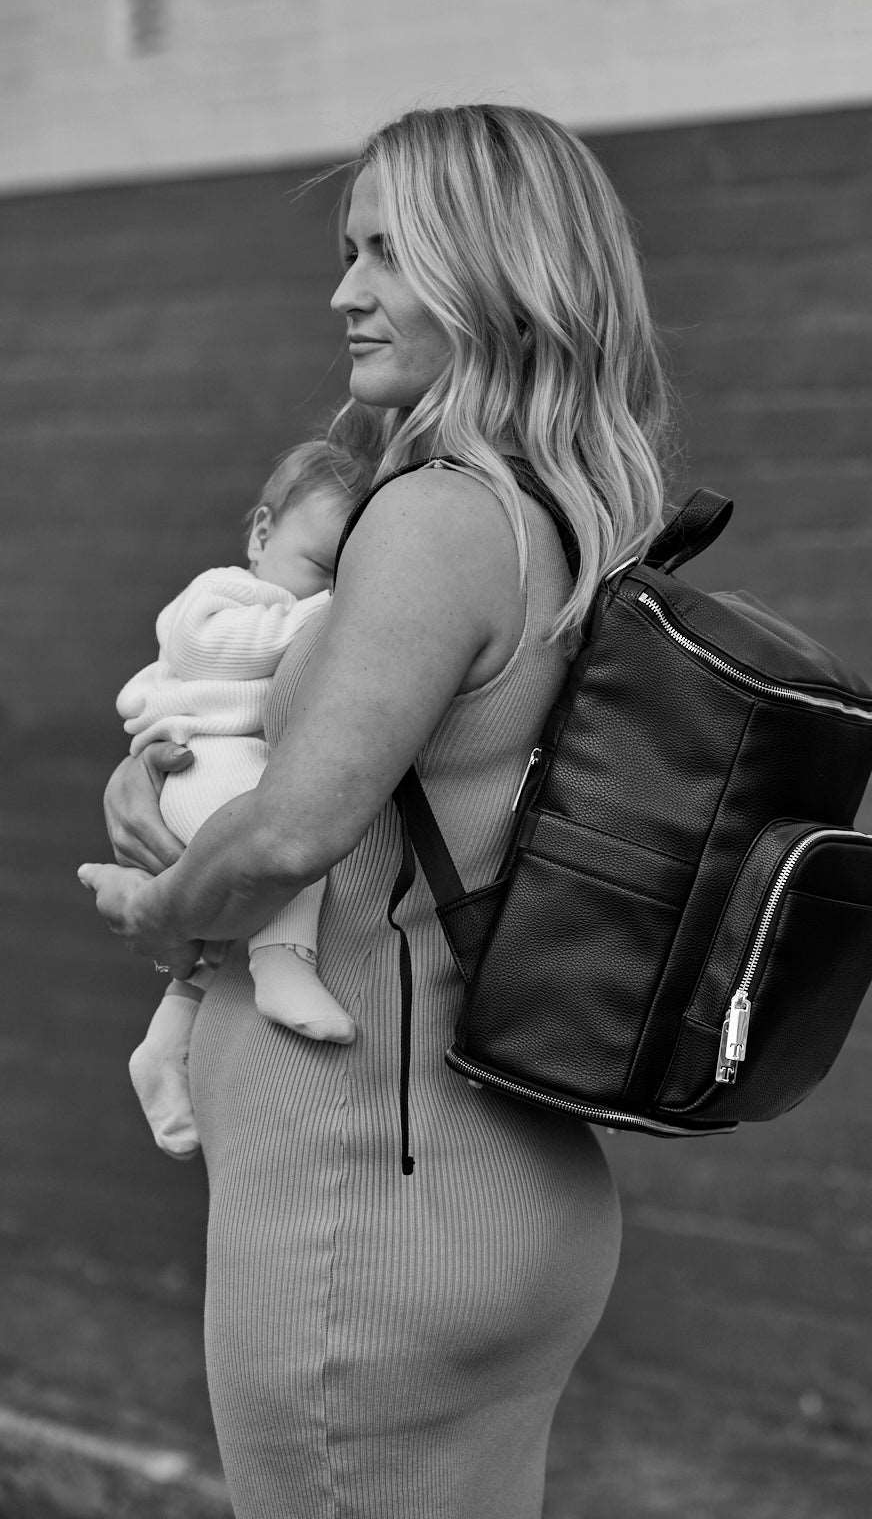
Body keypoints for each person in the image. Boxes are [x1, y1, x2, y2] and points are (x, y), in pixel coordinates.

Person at [78, 104, 675, 1519]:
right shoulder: (561, 509)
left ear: (497, 270)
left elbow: (294, 834)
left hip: (365, 1198)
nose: (344, 291)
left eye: (388, 253)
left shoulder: (433, 516)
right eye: (348, 253)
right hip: (480, 1179)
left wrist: (160, 911)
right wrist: (161, 774)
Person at [117, 437, 374, 1162]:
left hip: (228, 767)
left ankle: (166, 1045)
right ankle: (284, 962)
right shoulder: (221, 593)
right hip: (205, 765)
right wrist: (333, 610)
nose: (329, 590)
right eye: (320, 568)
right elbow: (211, 651)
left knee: (218, 943)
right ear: (263, 533)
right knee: (283, 841)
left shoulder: (292, 600)